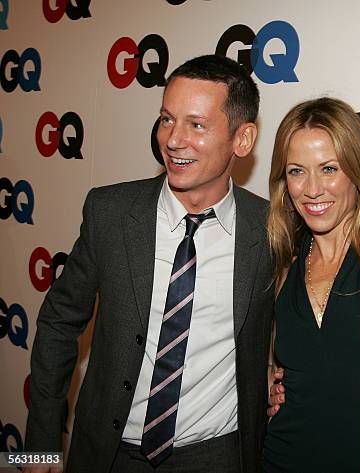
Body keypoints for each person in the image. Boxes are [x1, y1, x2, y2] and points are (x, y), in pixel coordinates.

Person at [24, 55, 274, 473]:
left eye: (196, 125)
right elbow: (58, 322)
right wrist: (40, 445)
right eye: (166, 119)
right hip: (107, 454)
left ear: (242, 139)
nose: (173, 139)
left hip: (218, 457)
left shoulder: (271, 230)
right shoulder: (110, 213)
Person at [262, 97, 360, 473]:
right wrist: (263, 381)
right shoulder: (285, 269)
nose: (312, 189)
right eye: (297, 171)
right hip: (282, 460)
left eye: (329, 168)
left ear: (359, 171)